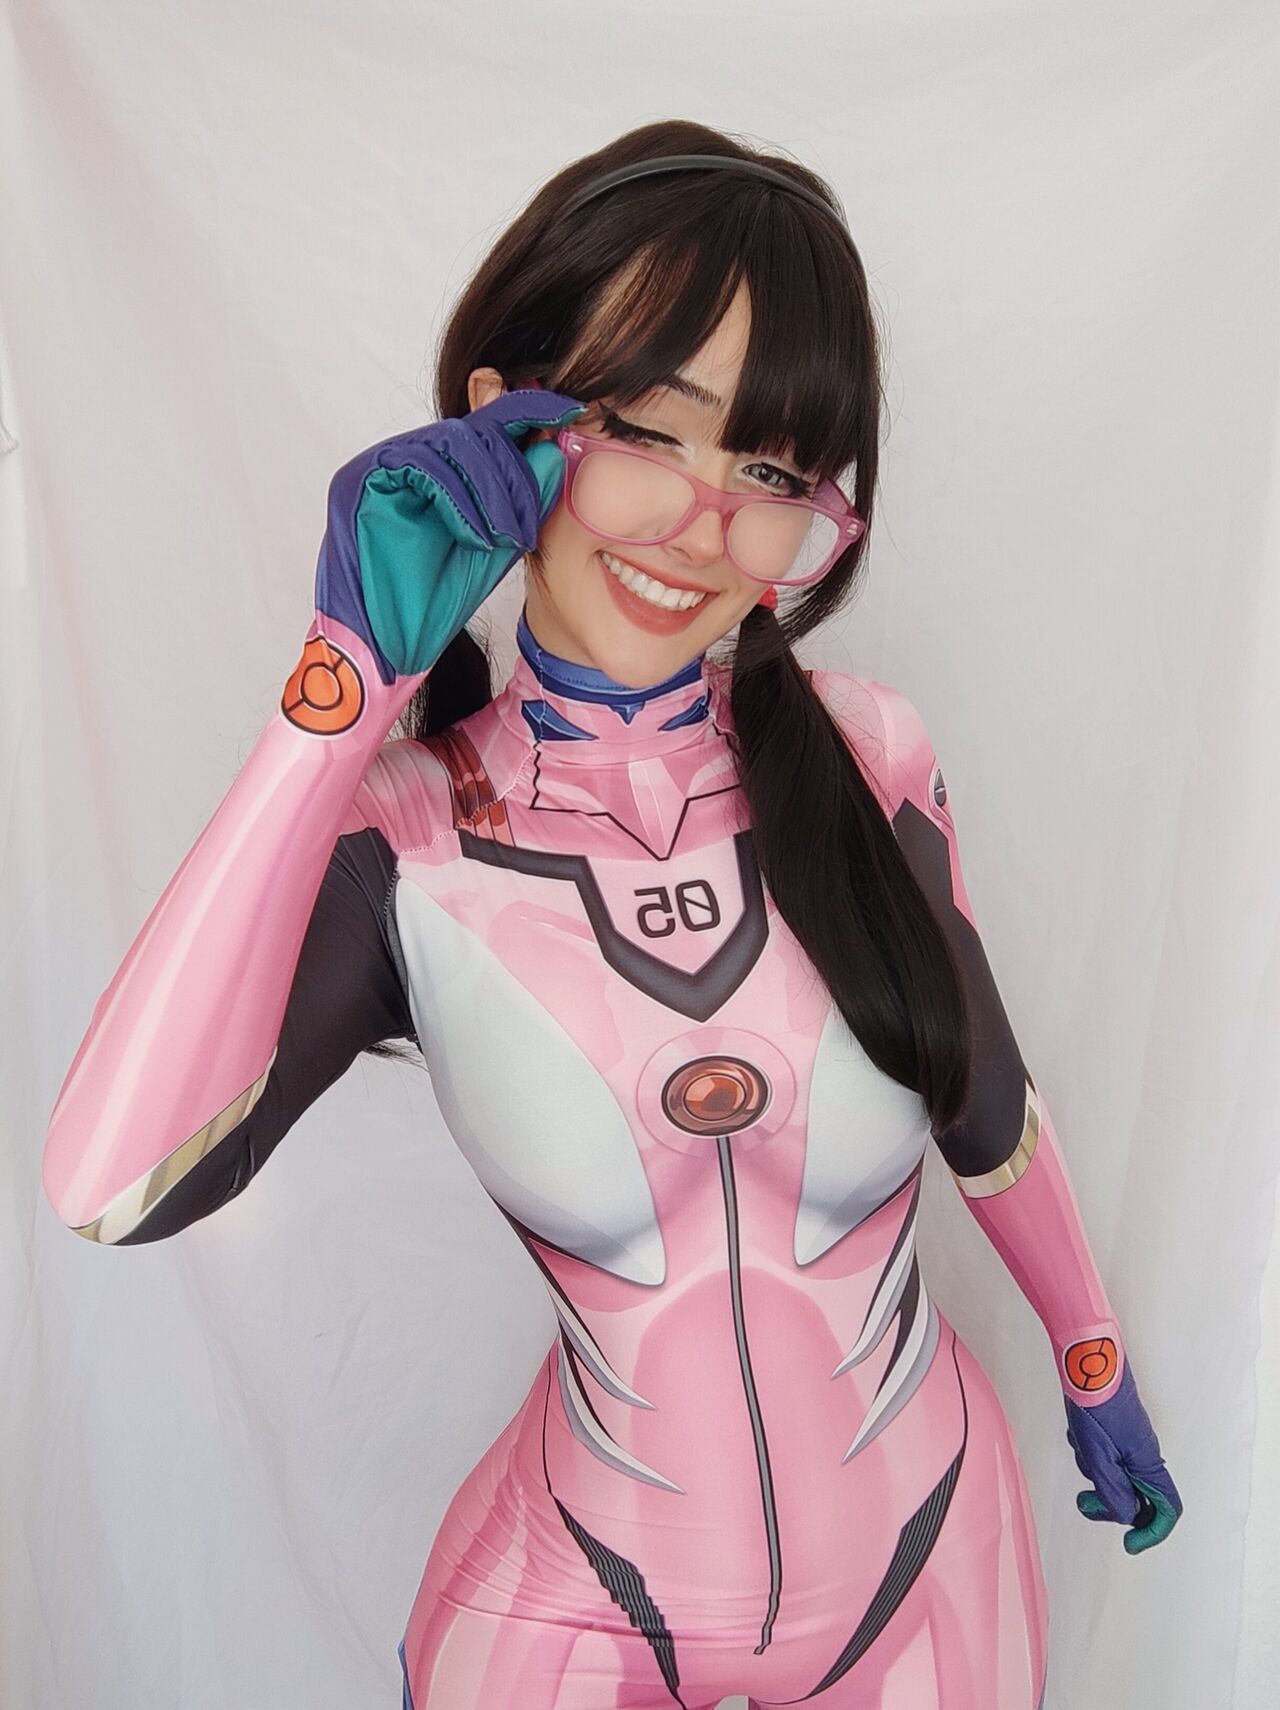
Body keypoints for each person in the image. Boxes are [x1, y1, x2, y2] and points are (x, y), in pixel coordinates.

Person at [41, 120, 1181, 1709]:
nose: (704, 522)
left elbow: (986, 1097)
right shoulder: (409, 840)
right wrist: (337, 695)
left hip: (936, 1564)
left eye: (771, 471)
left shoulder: (869, 757)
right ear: (501, 424)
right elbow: (109, 1187)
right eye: (649, 428)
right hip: (575, 1599)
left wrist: (1092, 1354)